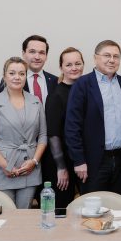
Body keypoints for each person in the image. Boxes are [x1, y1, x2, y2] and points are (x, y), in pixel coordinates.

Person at [65, 40, 121, 196]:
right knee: (92, 206)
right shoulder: (82, 84)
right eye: (107, 55)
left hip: (120, 160)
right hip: (93, 162)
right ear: (95, 58)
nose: (112, 60)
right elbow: (72, 126)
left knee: (118, 205)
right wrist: (79, 160)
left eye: (116, 56)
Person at [0, 57, 48, 208]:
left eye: (21, 74)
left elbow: (43, 136)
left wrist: (34, 161)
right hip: (1, 169)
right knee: (3, 216)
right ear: (4, 76)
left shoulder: (36, 101)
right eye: (12, 73)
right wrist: (4, 165)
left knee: (24, 215)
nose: (17, 77)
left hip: (29, 168)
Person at [45, 47, 85, 209]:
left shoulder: (86, 91)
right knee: (62, 210)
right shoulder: (56, 95)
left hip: (81, 160)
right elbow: (53, 135)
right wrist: (61, 168)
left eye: (78, 63)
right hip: (61, 162)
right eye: (68, 65)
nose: (74, 68)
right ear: (61, 67)